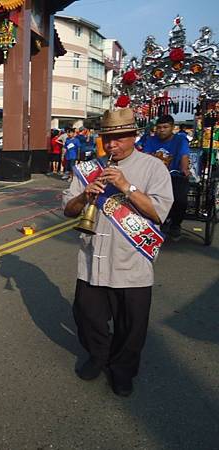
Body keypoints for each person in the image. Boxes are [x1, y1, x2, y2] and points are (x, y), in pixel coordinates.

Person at [63, 108, 173, 397]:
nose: (112, 145)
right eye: (107, 138)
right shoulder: (89, 168)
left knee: (131, 326)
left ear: (134, 136)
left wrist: (126, 186)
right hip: (92, 259)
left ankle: (122, 369)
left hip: (131, 262)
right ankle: (99, 357)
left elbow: (158, 213)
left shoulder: (153, 168)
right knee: (87, 318)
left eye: (120, 138)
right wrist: (85, 195)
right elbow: (67, 210)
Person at [143, 114, 190, 240]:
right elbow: (146, 156)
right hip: (154, 176)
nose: (162, 130)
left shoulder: (180, 140)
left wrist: (184, 169)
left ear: (172, 128)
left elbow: (184, 156)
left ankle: (176, 224)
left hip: (174, 175)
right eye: (159, 127)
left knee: (180, 199)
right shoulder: (151, 140)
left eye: (165, 127)